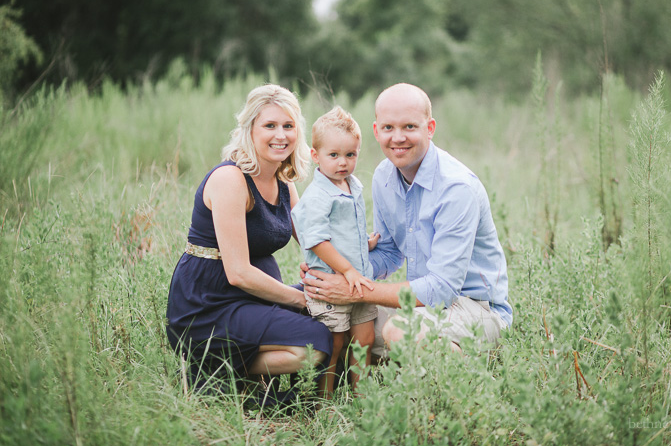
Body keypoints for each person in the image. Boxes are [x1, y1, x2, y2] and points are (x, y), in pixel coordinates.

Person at [302, 83, 513, 355]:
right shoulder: (383, 177)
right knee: (327, 317)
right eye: (389, 128)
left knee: (400, 331)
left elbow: (442, 289)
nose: (398, 138)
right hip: (424, 307)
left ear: (430, 128)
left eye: (409, 127)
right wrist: (332, 272)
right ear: (377, 131)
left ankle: (465, 368)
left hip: (476, 310)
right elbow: (389, 253)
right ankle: (406, 362)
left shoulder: (457, 189)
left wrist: (356, 291)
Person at [166, 84, 332, 397]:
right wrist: (301, 299)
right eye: (270, 125)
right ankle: (211, 371)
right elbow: (238, 272)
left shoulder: (282, 180)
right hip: (208, 303)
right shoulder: (231, 179)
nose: (280, 135)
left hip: (253, 299)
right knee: (312, 342)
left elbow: (313, 240)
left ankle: (242, 378)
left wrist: (358, 255)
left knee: (328, 319)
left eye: (288, 126)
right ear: (249, 129)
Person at [291, 106, 380, 397]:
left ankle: (361, 397)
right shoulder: (318, 194)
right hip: (333, 281)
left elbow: (342, 230)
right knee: (335, 343)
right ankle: (324, 400)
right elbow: (317, 241)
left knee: (364, 340)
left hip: (360, 281)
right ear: (315, 156)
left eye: (350, 155)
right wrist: (348, 269)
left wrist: (362, 243)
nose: (343, 163)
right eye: (334, 155)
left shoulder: (352, 186)